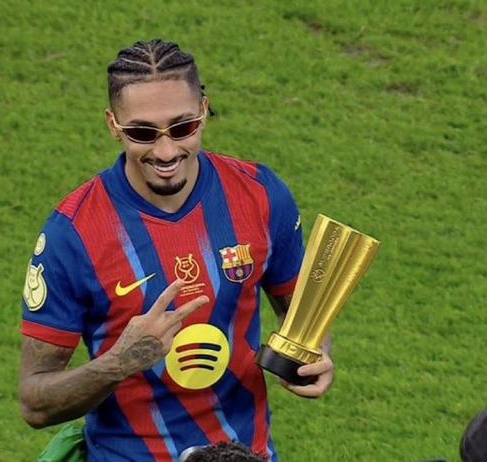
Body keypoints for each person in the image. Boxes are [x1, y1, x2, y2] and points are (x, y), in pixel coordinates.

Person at [19, 38, 334, 462]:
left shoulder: (260, 196)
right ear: (113, 125)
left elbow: (301, 314)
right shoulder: (73, 234)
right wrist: (119, 363)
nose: (166, 151)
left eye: (183, 127)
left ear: (204, 109)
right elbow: (35, 402)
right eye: (142, 133)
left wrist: (314, 355)